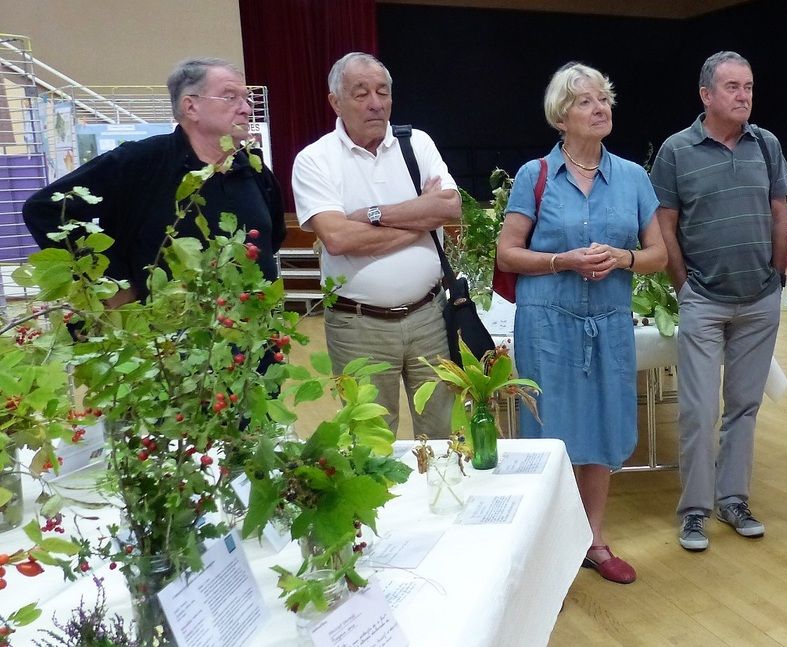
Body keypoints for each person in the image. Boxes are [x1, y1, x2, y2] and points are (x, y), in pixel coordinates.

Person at [496, 62, 666, 584]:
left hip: (608, 323)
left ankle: (593, 540)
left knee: (603, 426)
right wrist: (562, 260)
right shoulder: (535, 176)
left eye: (604, 99)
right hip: (547, 326)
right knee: (550, 431)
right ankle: (548, 546)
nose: (600, 108)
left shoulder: (633, 178)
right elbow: (507, 253)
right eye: (585, 101)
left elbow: (659, 254)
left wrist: (623, 257)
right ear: (560, 117)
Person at [649, 51, 787, 553]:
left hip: (760, 298)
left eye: (748, 87)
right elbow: (665, 225)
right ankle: (695, 510)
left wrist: (779, 277)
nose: (743, 96)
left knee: (744, 407)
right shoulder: (676, 151)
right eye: (733, 87)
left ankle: (734, 501)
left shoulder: (766, 144)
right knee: (698, 409)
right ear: (706, 94)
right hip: (703, 300)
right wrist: (683, 286)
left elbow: (780, 214)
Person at [292, 52, 461, 438]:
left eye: (383, 92)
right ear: (335, 102)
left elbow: (450, 207)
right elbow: (338, 238)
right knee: (371, 439)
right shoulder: (315, 160)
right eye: (361, 93)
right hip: (357, 325)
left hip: (429, 317)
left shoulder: (416, 143)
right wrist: (421, 219)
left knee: (441, 433)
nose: (375, 103)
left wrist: (371, 214)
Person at [23, 58, 285, 305]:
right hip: (162, 329)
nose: (246, 108)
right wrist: (111, 282)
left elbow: (271, 239)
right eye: (230, 97)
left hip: (251, 326)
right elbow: (45, 209)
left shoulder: (253, 169)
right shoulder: (141, 161)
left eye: (246, 98)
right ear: (191, 107)